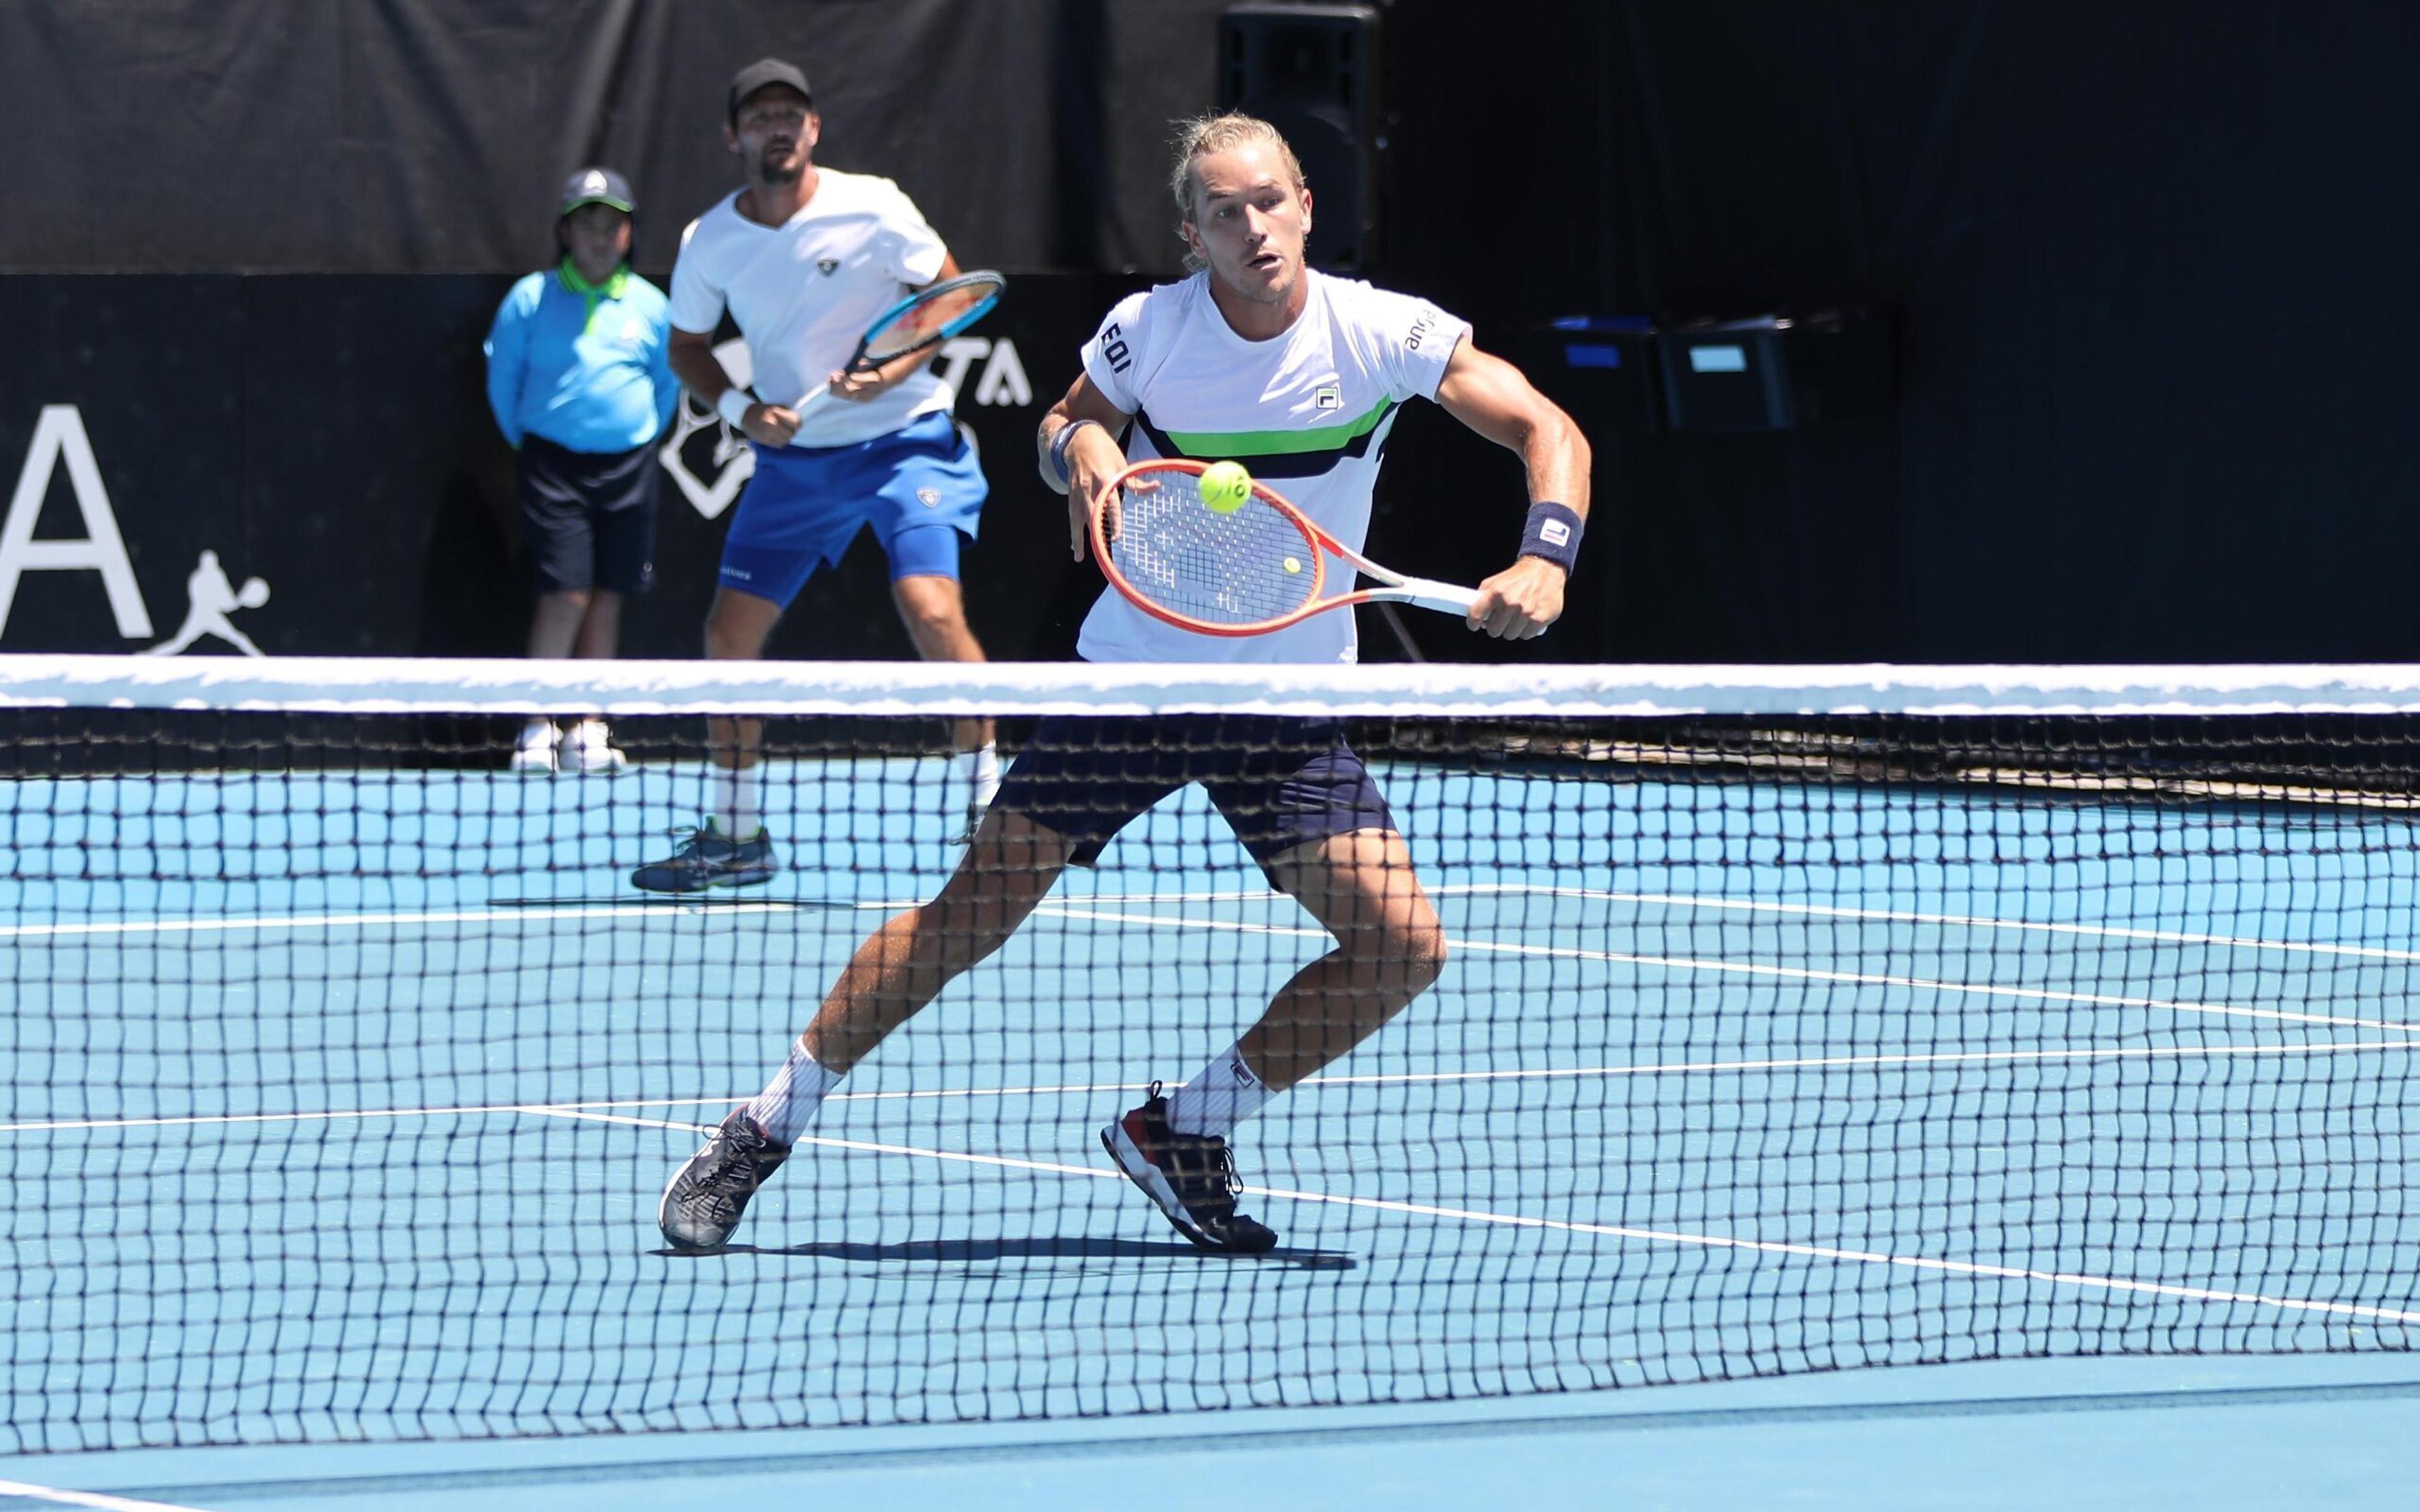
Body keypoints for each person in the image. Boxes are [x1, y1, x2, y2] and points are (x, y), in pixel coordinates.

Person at [657, 112, 1592, 1254]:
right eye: (1225, 213)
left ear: (1306, 203)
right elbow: (1064, 427)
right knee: (971, 918)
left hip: (1285, 706)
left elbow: (1548, 427)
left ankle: (1186, 1130)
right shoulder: (1149, 331)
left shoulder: (1384, 334)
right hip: (1135, 686)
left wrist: (1544, 554)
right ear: (1190, 232)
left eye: (1270, 202)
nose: (1254, 228)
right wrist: (1085, 449)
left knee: (1402, 947)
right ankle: (762, 1127)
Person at [634, 58, 998, 891]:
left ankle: (990, 803)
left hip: (906, 441)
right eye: (760, 116)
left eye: (792, 115)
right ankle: (735, 835)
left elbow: (952, 293)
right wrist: (743, 411)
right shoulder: (710, 241)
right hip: (794, 463)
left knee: (930, 607)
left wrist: (893, 368)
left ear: (814, 130)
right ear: (735, 138)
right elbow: (686, 349)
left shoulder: (872, 204)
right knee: (728, 638)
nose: (779, 128)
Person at [483, 167, 677, 772]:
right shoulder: (529, 300)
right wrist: (540, 441)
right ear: (566, 233)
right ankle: (537, 726)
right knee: (565, 593)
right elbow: (503, 384)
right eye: (587, 223)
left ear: (628, 235)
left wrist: (632, 437)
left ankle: (589, 728)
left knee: (607, 597)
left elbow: (666, 390)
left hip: (629, 466)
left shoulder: (652, 306)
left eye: (612, 224)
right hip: (551, 466)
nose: (599, 236)